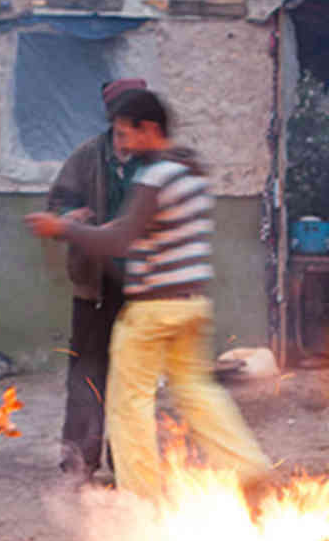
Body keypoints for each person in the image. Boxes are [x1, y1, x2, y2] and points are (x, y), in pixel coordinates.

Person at [23, 89, 272, 501]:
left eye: (124, 134)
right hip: (192, 306)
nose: (119, 143)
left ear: (149, 129)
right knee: (197, 392)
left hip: (152, 310)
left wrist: (62, 229)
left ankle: (140, 499)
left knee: (127, 404)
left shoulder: (154, 176)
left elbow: (120, 239)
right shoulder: (190, 173)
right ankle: (248, 465)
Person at [49, 78, 147, 482]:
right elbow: (56, 205)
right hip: (94, 285)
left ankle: (128, 464)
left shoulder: (156, 163)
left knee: (133, 378)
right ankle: (79, 460)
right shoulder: (87, 156)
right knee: (85, 372)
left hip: (141, 290)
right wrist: (69, 218)